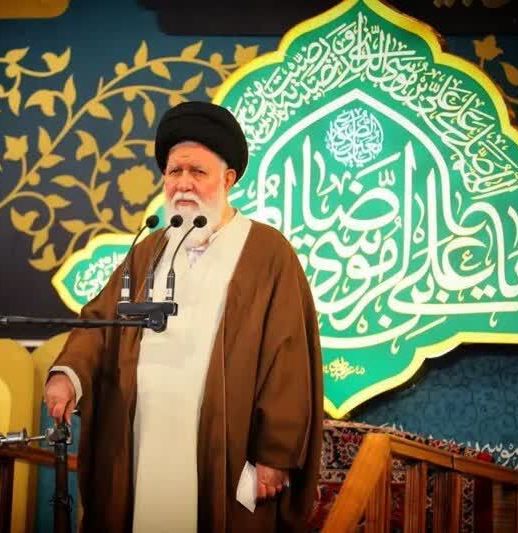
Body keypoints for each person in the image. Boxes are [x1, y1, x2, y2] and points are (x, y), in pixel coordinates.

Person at [44, 101, 323, 532]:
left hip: (221, 456)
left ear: (228, 179)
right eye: (175, 171)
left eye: (198, 172)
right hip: (144, 448)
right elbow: (100, 325)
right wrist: (68, 375)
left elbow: (288, 358)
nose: (184, 184)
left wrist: (276, 454)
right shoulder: (148, 251)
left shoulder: (268, 253)